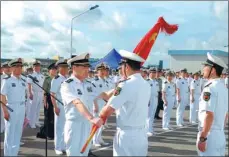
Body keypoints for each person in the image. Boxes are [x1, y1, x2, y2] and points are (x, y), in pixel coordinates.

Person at [98, 49, 151, 156]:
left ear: (126, 67)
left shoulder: (125, 85)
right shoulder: (146, 84)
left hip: (127, 135)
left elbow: (107, 110)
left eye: (121, 67)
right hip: (141, 134)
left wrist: (99, 115)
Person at [60, 53, 103, 156]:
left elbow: (103, 95)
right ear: (74, 67)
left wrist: (119, 90)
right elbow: (76, 102)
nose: (87, 69)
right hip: (75, 125)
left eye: (88, 67)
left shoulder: (88, 84)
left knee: (84, 153)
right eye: (84, 67)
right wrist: (91, 118)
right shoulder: (67, 84)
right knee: (74, 153)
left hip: (86, 124)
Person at [197, 52, 228, 156]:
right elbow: (226, 114)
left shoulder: (210, 88)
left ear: (213, 70)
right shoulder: (223, 88)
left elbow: (209, 114)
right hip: (220, 134)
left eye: (206, 66)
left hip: (210, 136)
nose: (203, 69)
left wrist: (203, 137)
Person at [1, 58, 27, 156]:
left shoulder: (23, 80)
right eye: (17, 66)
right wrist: (5, 111)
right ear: (11, 68)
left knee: (18, 132)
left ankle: (14, 153)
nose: (19, 68)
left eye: (20, 66)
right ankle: (8, 154)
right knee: (10, 133)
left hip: (21, 107)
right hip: (11, 107)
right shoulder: (7, 80)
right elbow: (2, 96)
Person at [51, 59, 68, 155]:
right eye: (63, 67)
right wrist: (55, 107)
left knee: (66, 127)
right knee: (59, 128)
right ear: (58, 68)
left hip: (67, 106)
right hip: (60, 106)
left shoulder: (67, 78)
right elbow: (52, 94)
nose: (65, 69)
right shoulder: (56, 79)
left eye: (66, 67)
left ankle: (64, 146)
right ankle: (57, 147)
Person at [36, 63, 57, 140]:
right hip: (49, 98)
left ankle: (55, 133)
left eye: (55, 69)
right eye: (53, 69)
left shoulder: (58, 79)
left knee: (55, 117)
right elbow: (44, 91)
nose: (54, 71)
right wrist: (45, 101)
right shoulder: (47, 79)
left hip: (56, 98)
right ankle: (49, 133)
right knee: (49, 117)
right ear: (49, 71)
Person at [92, 62, 110, 146]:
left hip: (104, 104)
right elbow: (92, 95)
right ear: (97, 71)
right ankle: (95, 140)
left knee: (102, 123)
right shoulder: (94, 81)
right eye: (100, 70)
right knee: (97, 122)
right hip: (98, 103)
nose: (103, 72)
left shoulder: (106, 81)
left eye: (104, 70)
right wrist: (95, 104)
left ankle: (99, 138)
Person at [27, 60, 45, 128]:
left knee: (38, 108)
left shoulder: (42, 75)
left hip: (40, 93)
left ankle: (36, 121)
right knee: (33, 109)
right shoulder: (31, 75)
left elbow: (42, 85)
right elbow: (29, 84)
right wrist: (30, 93)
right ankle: (32, 123)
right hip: (34, 93)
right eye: (35, 66)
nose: (37, 67)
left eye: (38, 66)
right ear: (33, 67)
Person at [146, 67, 159, 136]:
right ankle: (148, 130)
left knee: (152, 115)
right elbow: (146, 92)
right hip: (149, 99)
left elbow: (157, 91)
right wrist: (147, 100)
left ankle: (151, 129)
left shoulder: (156, 82)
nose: (154, 74)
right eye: (152, 72)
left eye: (154, 72)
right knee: (149, 115)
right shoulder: (147, 81)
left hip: (155, 98)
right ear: (149, 73)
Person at [1, 62, 11, 134]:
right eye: (6, 67)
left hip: (10, 100)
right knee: (2, 115)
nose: (7, 68)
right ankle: (2, 129)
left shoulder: (11, 77)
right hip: (2, 99)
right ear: (3, 68)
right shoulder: (2, 77)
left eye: (8, 67)